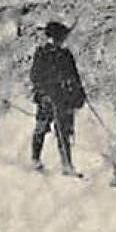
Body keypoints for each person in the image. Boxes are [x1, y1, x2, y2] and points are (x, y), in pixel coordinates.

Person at [29, 21, 85, 176]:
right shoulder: (41, 53)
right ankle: (35, 159)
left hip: (63, 100)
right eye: (59, 38)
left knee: (63, 132)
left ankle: (67, 165)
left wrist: (79, 95)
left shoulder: (66, 55)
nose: (61, 41)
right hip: (46, 99)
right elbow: (35, 76)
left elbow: (75, 78)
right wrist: (43, 93)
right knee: (41, 128)